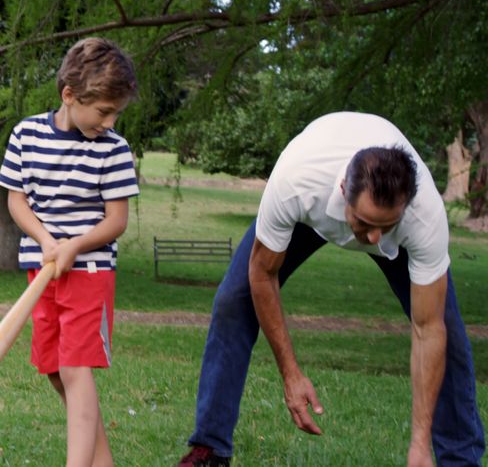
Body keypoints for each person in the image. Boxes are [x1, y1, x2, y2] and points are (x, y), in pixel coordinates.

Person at [177, 112, 484, 467]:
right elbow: (262, 275)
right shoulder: (297, 179)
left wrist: (419, 444)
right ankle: (210, 450)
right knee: (234, 300)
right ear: (343, 193)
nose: (372, 239)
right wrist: (291, 375)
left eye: (384, 226)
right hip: (311, 212)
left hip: (399, 231)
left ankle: (460, 460)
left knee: (449, 333)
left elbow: (427, 330)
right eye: (366, 224)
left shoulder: (422, 215)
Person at [0, 37, 140, 467]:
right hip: (41, 271)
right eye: (103, 112)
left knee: (77, 370)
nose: (110, 122)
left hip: (90, 272)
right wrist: (46, 240)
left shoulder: (113, 149)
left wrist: (75, 244)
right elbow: (16, 200)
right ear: (69, 96)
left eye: (116, 112)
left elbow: (116, 221)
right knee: (56, 370)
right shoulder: (27, 134)